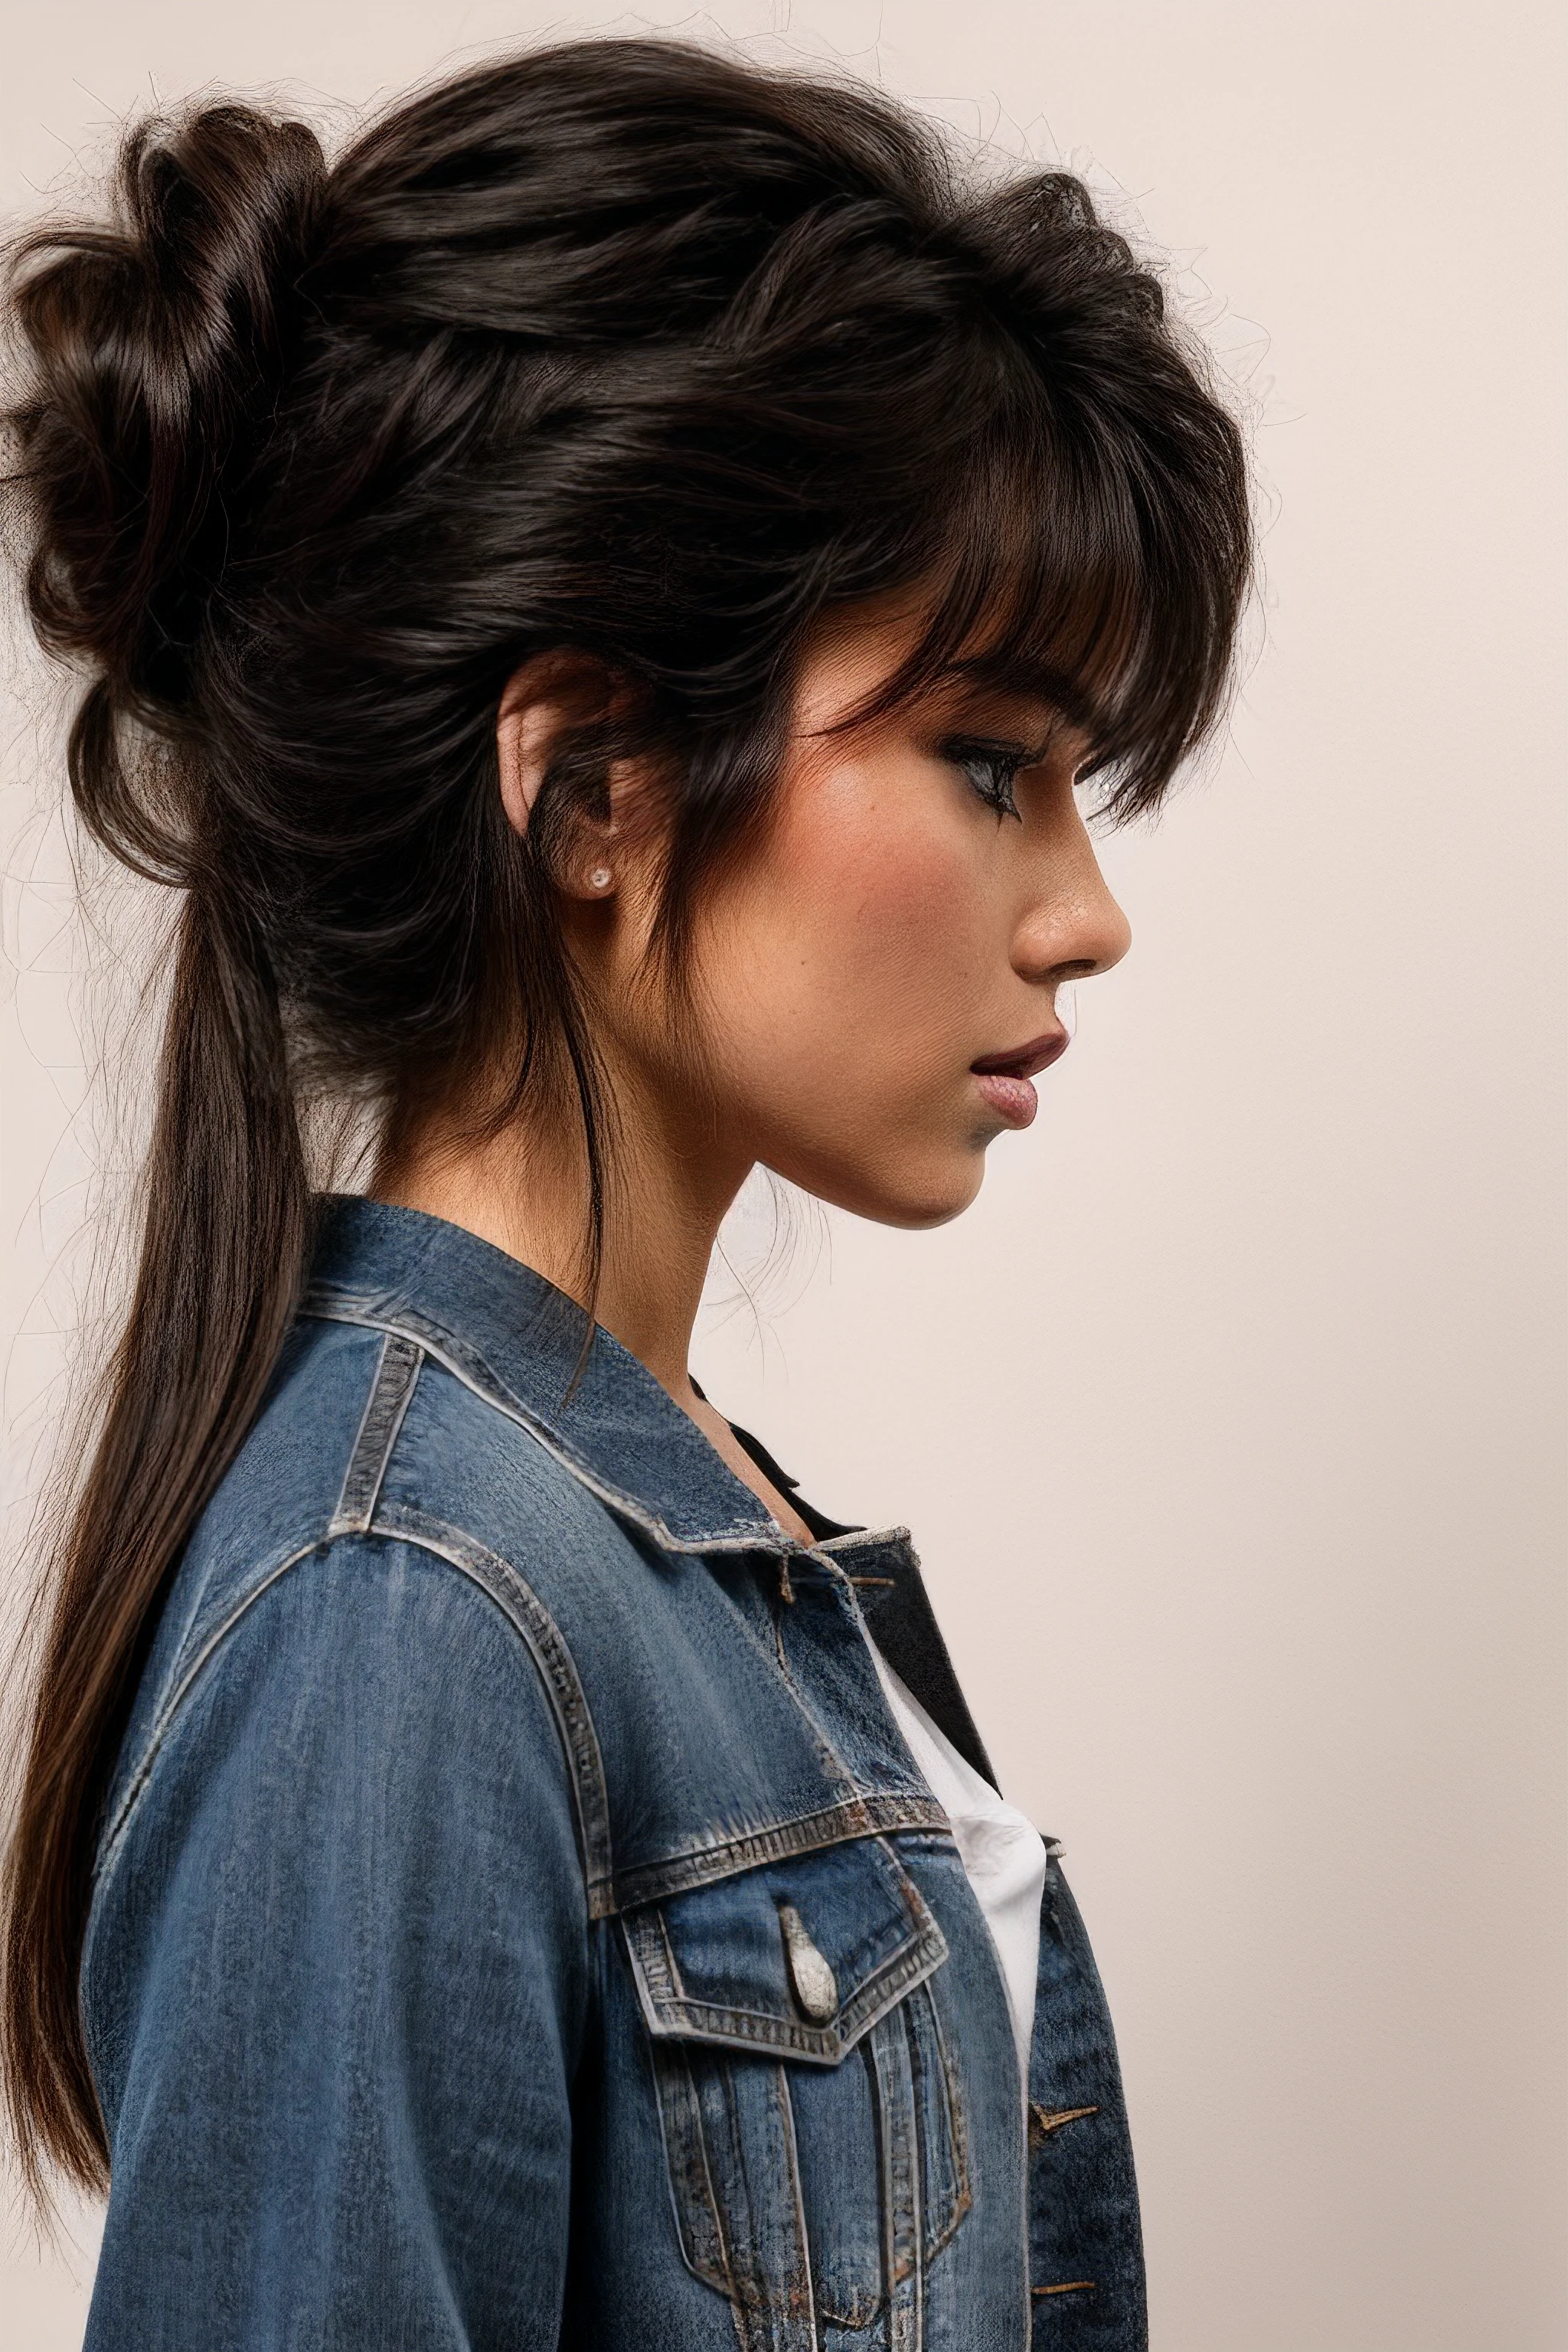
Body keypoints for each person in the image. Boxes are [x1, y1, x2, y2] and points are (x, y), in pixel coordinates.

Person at [0, 38, 1250, 2349]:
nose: (1084, 911)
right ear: (592, 788)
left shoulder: (659, 1536)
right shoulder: (405, 1614)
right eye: (994, 764)